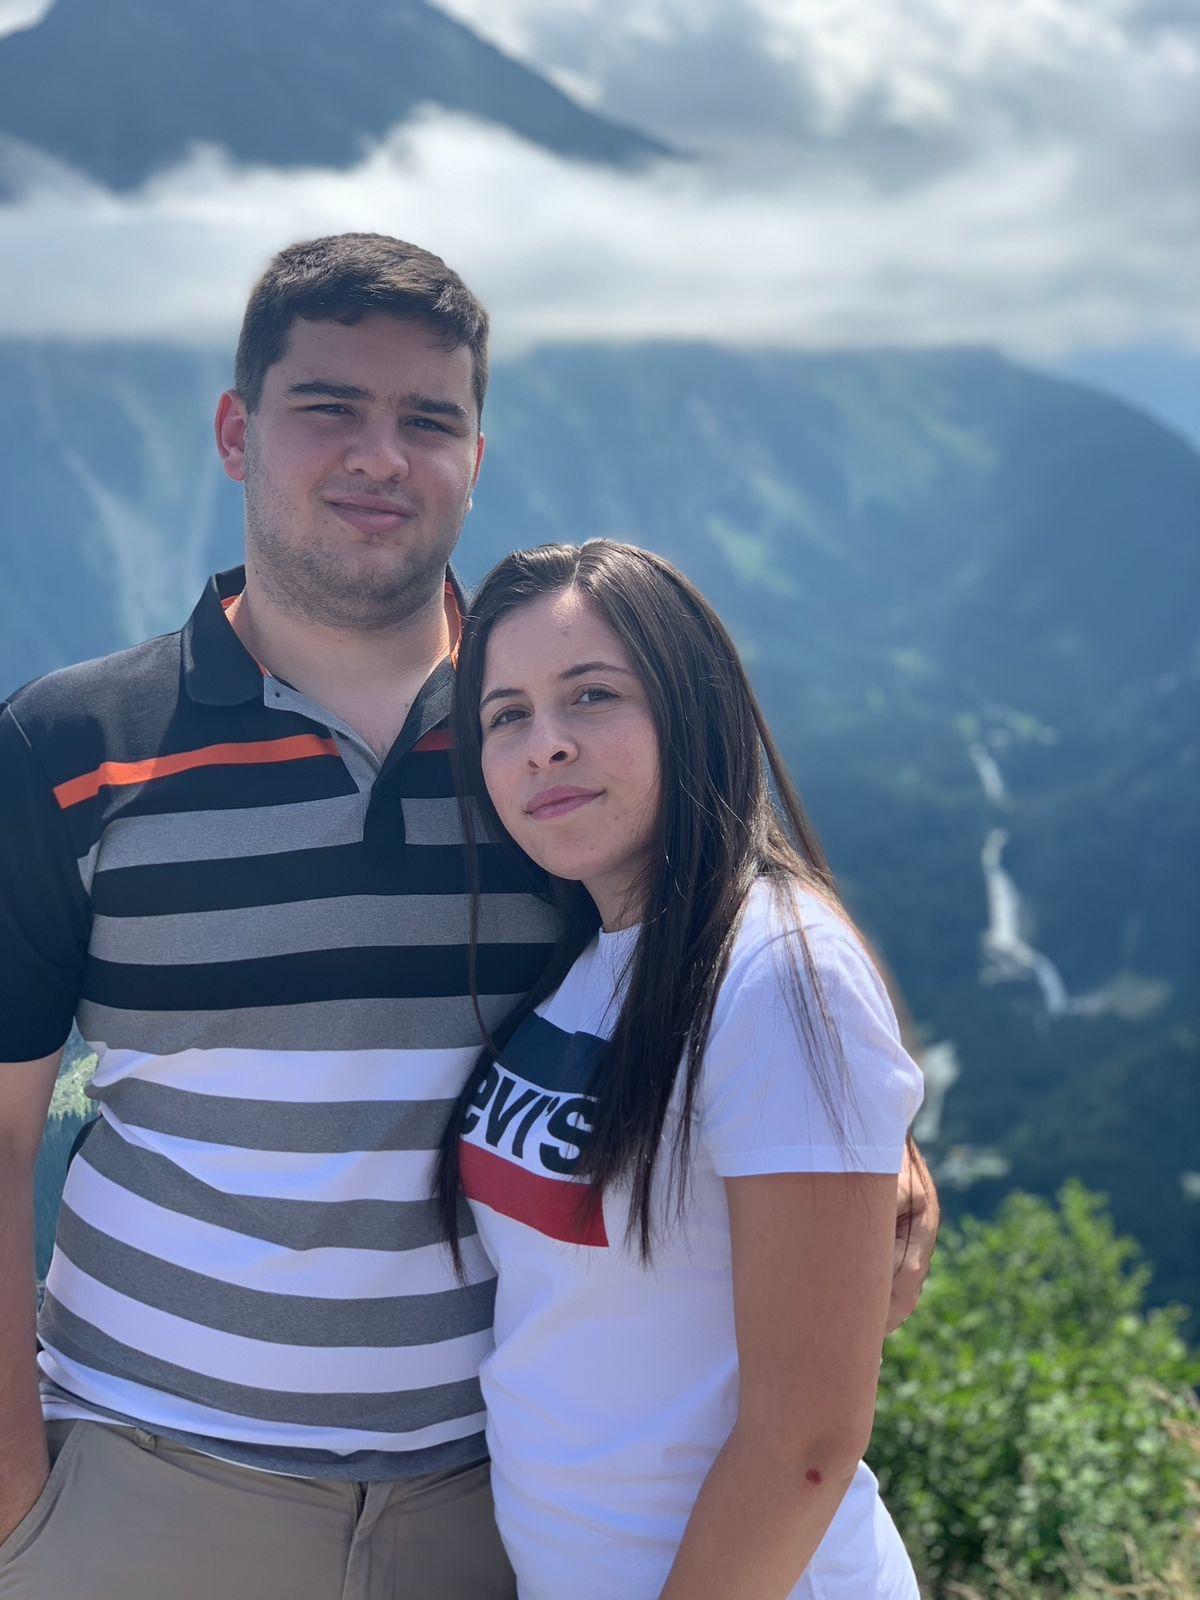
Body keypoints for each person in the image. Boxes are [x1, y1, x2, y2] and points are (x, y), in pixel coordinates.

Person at [0, 234, 937, 1599]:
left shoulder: (540, 760)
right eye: (330, 405)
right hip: (151, 1485)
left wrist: (873, 1174)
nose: (381, 454)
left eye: (428, 418)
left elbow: (709, 992)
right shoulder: (72, 746)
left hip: (489, 1512)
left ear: (476, 460)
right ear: (234, 432)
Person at [438, 539, 926, 1599]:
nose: (545, 746)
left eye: (592, 696)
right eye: (506, 714)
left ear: (691, 707)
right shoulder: (593, 957)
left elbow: (805, 1444)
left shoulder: (777, 968)